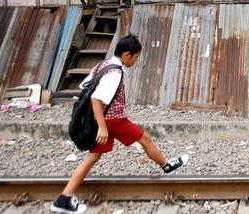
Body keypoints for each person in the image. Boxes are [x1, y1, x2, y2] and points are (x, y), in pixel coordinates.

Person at [51, 35, 189, 214]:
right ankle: (167, 166)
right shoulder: (115, 72)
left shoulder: (103, 65)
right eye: (136, 57)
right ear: (126, 54)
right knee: (144, 138)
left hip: (103, 119)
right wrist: (102, 126)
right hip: (112, 120)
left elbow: (85, 85)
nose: (136, 60)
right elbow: (95, 97)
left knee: (93, 157)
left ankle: (64, 197)